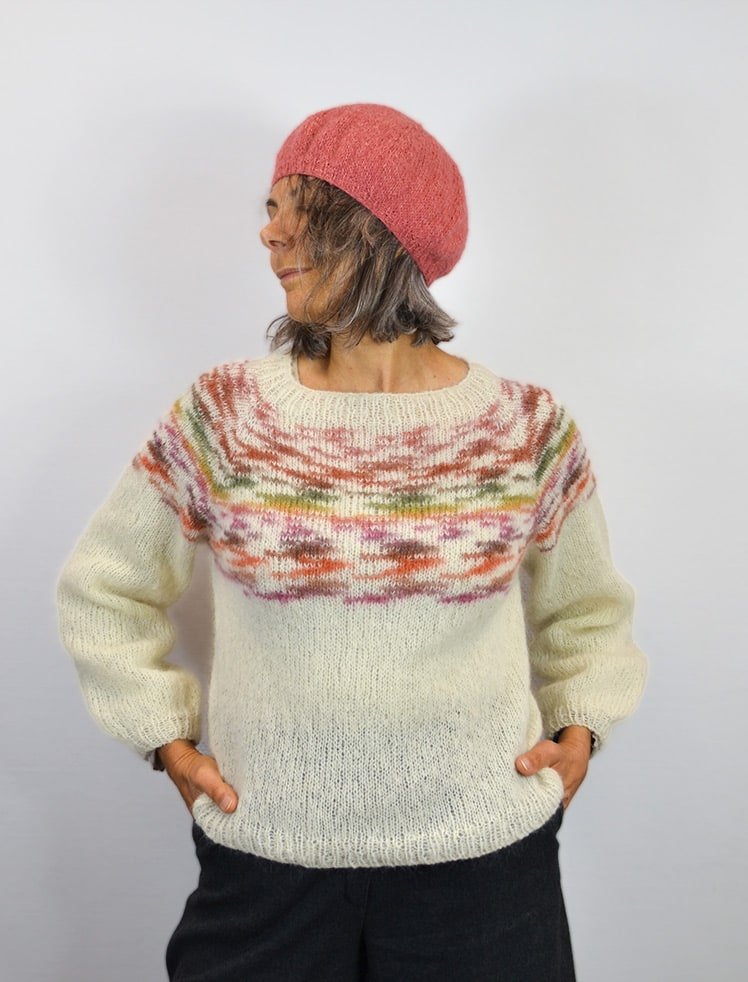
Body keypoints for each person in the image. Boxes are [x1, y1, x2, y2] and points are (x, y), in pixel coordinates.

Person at [55, 102, 648, 981]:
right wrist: (164, 740)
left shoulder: (525, 427)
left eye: (299, 208)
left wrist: (582, 728)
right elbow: (105, 586)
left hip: (486, 869)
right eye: (269, 210)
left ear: (380, 230)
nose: (270, 234)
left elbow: (588, 613)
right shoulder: (227, 414)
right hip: (266, 863)